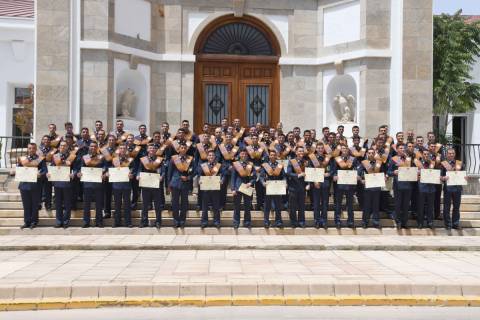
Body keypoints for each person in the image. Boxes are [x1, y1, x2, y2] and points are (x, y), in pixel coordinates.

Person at [75, 141, 105, 228]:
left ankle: (99, 221)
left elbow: (105, 167)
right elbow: (80, 168)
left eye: (95, 146)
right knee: (86, 204)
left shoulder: (101, 157)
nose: (93, 148)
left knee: (99, 204)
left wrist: (103, 171)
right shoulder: (85, 157)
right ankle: (86, 221)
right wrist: (79, 173)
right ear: (89, 148)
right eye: (91, 146)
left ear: (97, 148)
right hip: (87, 184)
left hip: (98, 183)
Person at [17, 142, 46, 229]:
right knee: (26, 205)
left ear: (36, 149)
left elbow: (44, 170)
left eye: (33, 148)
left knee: (34, 204)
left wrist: (40, 174)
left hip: (35, 185)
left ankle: (34, 221)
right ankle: (27, 222)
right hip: (24, 185)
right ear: (27, 149)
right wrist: (15, 171)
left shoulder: (40, 159)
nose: (31, 150)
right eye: (29, 148)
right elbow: (18, 169)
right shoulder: (22, 159)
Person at [137, 144, 165, 228]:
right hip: (146, 185)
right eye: (150, 148)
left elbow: (163, 171)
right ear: (147, 150)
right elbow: (139, 170)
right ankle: (144, 221)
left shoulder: (160, 160)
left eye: (153, 148)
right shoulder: (143, 160)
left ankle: (158, 221)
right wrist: (138, 175)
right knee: (145, 204)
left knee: (157, 205)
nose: (152, 149)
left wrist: (162, 176)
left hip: (156, 184)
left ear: (156, 150)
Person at [49, 141, 75, 228]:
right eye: (61, 146)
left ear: (67, 147)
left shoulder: (72, 156)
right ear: (59, 147)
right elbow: (52, 166)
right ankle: (59, 221)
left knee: (67, 203)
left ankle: (66, 221)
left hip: (67, 182)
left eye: (64, 146)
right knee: (58, 203)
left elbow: (75, 168)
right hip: (57, 182)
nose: (62, 147)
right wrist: (49, 173)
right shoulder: (55, 156)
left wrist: (73, 174)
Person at [388, 144, 414, 229]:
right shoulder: (394, 159)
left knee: (406, 205)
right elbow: (388, 172)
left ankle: (404, 222)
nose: (403, 149)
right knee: (398, 204)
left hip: (408, 185)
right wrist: (393, 173)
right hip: (398, 185)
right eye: (401, 148)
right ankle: (398, 221)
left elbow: (414, 170)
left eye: (404, 148)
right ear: (397, 150)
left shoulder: (409, 159)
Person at [168, 143, 194, 228]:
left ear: (186, 149)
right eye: (181, 148)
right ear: (178, 149)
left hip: (185, 184)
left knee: (184, 204)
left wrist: (188, 178)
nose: (183, 149)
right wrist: (169, 184)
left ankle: (182, 221)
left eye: (184, 148)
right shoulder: (173, 159)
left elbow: (193, 172)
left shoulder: (190, 159)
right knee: (175, 203)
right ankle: (176, 221)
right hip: (175, 184)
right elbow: (170, 172)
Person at [109, 144, 135, 228]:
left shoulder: (130, 160)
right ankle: (117, 222)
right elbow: (112, 170)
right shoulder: (114, 160)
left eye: (124, 148)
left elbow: (133, 170)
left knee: (127, 204)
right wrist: (108, 174)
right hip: (116, 185)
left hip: (126, 185)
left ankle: (128, 222)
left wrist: (132, 175)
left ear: (126, 150)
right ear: (118, 150)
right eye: (121, 148)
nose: (123, 150)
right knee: (117, 205)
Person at [308, 143, 333, 229]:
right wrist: (314, 181)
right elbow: (310, 170)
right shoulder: (312, 158)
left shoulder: (328, 158)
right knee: (316, 203)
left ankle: (324, 221)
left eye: (321, 148)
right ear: (316, 149)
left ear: (324, 149)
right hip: (316, 183)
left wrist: (329, 174)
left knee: (325, 203)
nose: (320, 149)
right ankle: (317, 221)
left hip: (325, 183)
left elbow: (333, 170)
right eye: (318, 148)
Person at [198, 150, 225, 228]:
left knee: (216, 206)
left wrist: (222, 180)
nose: (211, 157)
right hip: (205, 189)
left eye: (212, 155)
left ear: (215, 157)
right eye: (209, 155)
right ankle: (204, 222)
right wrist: (199, 180)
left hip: (215, 188)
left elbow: (223, 175)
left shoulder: (218, 165)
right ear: (207, 157)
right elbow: (200, 175)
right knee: (204, 207)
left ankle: (217, 222)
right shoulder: (203, 165)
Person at [358, 148, 383, 228]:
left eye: (372, 153)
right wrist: (361, 180)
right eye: (369, 153)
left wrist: (385, 177)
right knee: (366, 205)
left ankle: (376, 221)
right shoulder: (364, 163)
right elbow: (358, 174)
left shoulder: (379, 163)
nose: (371, 154)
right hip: (367, 187)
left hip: (376, 187)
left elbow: (383, 173)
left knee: (376, 205)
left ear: (375, 153)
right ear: (367, 154)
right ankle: (365, 222)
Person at [231, 149, 256, 228]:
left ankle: (247, 222)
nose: (244, 155)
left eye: (245, 154)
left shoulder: (250, 165)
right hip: (238, 188)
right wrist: (233, 189)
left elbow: (254, 177)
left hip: (248, 187)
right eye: (242, 154)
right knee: (236, 206)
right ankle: (236, 222)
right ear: (239, 155)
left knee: (247, 206)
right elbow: (233, 177)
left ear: (247, 155)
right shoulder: (236, 164)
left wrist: (251, 183)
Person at [260, 150, 286, 228]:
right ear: (269, 156)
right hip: (268, 187)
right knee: (267, 206)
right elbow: (261, 176)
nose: (273, 156)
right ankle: (266, 222)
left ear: (276, 156)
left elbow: (284, 176)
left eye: (274, 155)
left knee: (278, 205)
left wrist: (285, 182)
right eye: (271, 155)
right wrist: (263, 182)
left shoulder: (280, 165)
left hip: (277, 187)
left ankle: (278, 222)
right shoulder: (265, 165)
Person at [441, 148, 465, 230]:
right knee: (446, 207)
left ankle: (455, 223)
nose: (451, 155)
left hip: (457, 188)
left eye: (452, 153)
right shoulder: (443, 164)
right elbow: (440, 176)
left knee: (456, 207)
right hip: (448, 188)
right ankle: (447, 224)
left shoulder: (459, 163)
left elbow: (463, 173)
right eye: (449, 153)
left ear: (454, 154)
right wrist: (443, 178)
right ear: (447, 154)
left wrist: (465, 177)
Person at [333, 145, 357, 228]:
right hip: (339, 185)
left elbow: (356, 169)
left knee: (350, 204)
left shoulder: (353, 159)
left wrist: (357, 175)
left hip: (350, 185)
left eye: (346, 148)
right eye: (343, 148)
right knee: (338, 204)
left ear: (348, 150)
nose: (344, 150)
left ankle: (350, 221)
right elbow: (333, 170)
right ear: (341, 150)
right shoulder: (337, 159)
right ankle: (337, 221)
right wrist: (334, 175)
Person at [415, 149, 437, 229]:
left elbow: (438, 173)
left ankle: (430, 222)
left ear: (430, 155)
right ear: (422, 155)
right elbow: (413, 173)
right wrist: (417, 174)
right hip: (421, 187)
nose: (426, 155)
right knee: (420, 206)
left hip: (431, 187)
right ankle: (420, 223)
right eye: (424, 154)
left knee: (430, 206)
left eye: (428, 154)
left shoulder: (433, 163)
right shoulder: (418, 163)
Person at [286, 146, 307, 228]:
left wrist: (308, 184)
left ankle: (301, 221)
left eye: (302, 151)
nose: (301, 153)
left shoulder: (306, 162)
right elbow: (288, 173)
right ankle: (293, 222)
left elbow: (308, 173)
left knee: (302, 206)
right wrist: (298, 175)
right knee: (293, 206)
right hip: (293, 187)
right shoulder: (292, 162)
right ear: (296, 152)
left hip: (302, 187)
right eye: (299, 151)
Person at [38, 135, 55, 210]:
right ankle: (39, 203)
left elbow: (56, 159)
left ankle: (48, 204)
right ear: (42, 141)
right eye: (44, 139)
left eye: (48, 140)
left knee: (48, 188)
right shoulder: (38, 150)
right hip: (41, 171)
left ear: (50, 141)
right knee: (39, 188)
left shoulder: (54, 150)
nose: (46, 141)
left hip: (50, 171)